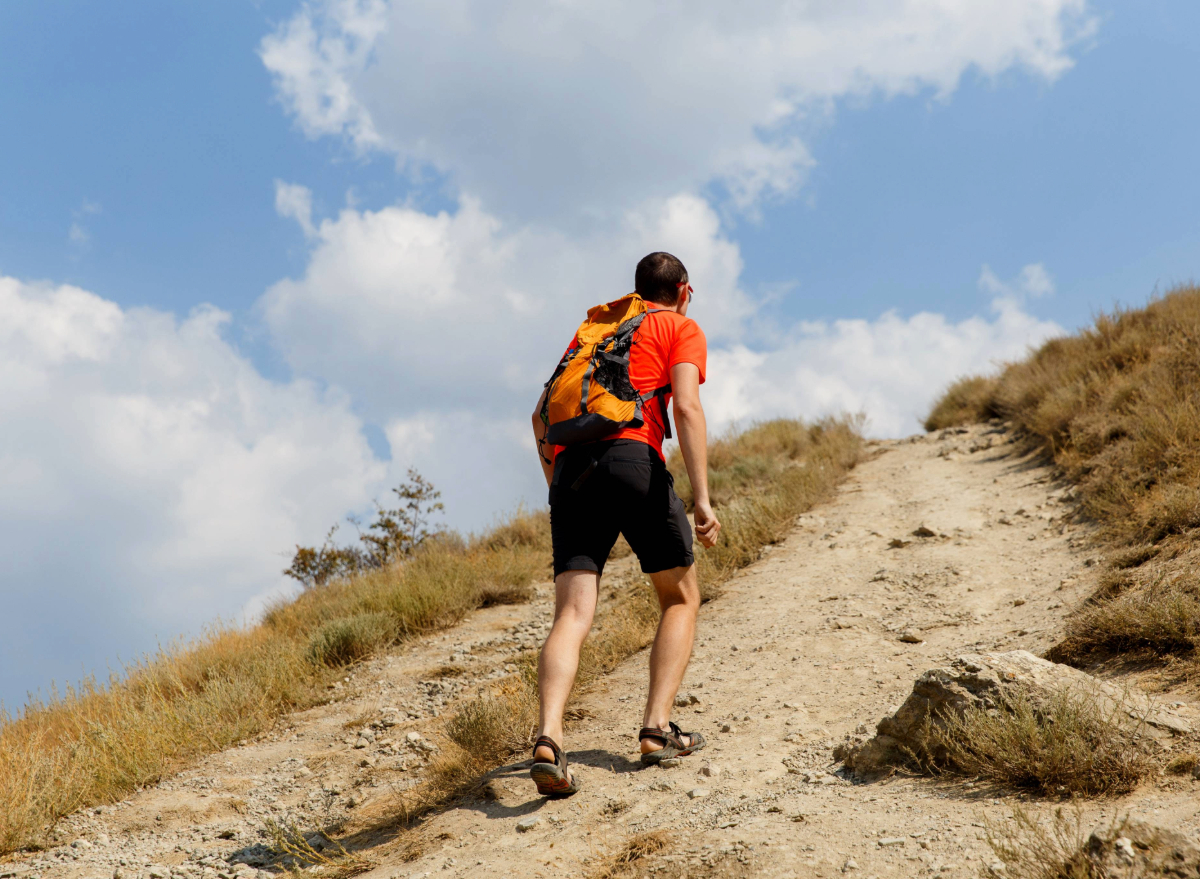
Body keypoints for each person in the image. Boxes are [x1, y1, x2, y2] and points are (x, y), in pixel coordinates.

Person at [527, 251, 721, 797]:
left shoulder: (595, 331)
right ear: (683, 290)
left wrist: (559, 490)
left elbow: (540, 416)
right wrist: (702, 499)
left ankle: (548, 738)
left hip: (571, 470)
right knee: (680, 598)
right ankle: (656, 731)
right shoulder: (680, 327)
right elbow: (686, 408)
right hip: (634, 460)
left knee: (572, 612)